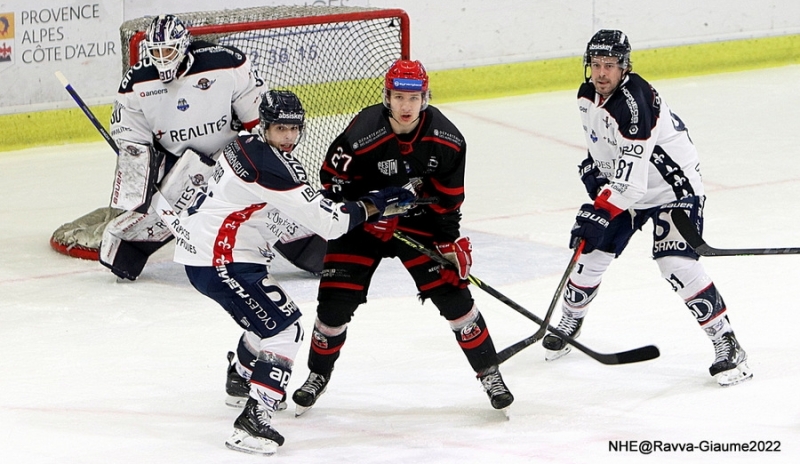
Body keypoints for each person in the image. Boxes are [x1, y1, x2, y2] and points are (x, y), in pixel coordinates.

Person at [172, 89, 415, 455]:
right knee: (285, 327)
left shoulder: (244, 145)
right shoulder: (269, 166)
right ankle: (254, 420)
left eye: (294, 129)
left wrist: (346, 204)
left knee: (267, 320)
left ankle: (240, 378)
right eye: (280, 128)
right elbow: (330, 225)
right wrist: (377, 203)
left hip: (212, 250)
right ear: (265, 126)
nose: (288, 136)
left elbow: (293, 203)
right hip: (220, 257)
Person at [290, 59, 515, 416]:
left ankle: (490, 374)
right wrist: (365, 210)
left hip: (417, 223)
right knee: (334, 306)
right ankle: (317, 376)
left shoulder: (448, 139)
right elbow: (331, 185)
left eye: (413, 98)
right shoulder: (363, 132)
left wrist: (447, 241)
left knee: (454, 296)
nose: (405, 106)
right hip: (364, 225)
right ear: (387, 97)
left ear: (425, 97)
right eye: (398, 97)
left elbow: (448, 200)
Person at [542, 29, 753, 387]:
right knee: (589, 252)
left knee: (675, 262)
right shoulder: (586, 95)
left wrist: (601, 209)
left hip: (673, 190)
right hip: (628, 187)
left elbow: (633, 183)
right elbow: (605, 150)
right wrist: (596, 176)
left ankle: (726, 342)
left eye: (610, 65)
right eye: (596, 64)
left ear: (624, 67)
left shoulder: (637, 104)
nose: (602, 73)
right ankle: (570, 319)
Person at [49, 13, 324, 279]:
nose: (161, 60)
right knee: (130, 239)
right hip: (179, 163)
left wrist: (270, 169)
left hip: (232, 155)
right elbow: (133, 145)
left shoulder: (225, 63)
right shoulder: (137, 81)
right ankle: (128, 250)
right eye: (155, 53)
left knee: (269, 207)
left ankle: (321, 252)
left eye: (167, 52)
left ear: (182, 46)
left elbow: (256, 120)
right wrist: (141, 187)